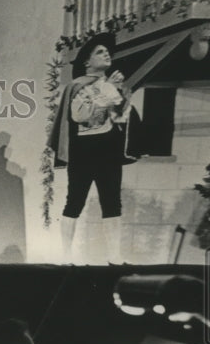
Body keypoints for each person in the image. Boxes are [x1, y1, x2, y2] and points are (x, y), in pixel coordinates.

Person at [48, 32, 141, 264]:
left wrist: (121, 98)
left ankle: (114, 257)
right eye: (100, 52)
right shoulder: (78, 86)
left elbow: (120, 118)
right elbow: (80, 115)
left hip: (108, 148)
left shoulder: (111, 85)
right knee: (75, 200)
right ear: (87, 62)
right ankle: (66, 256)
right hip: (85, 149)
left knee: (112, 200)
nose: (107, 54)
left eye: (107, 51)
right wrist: (108, 90)